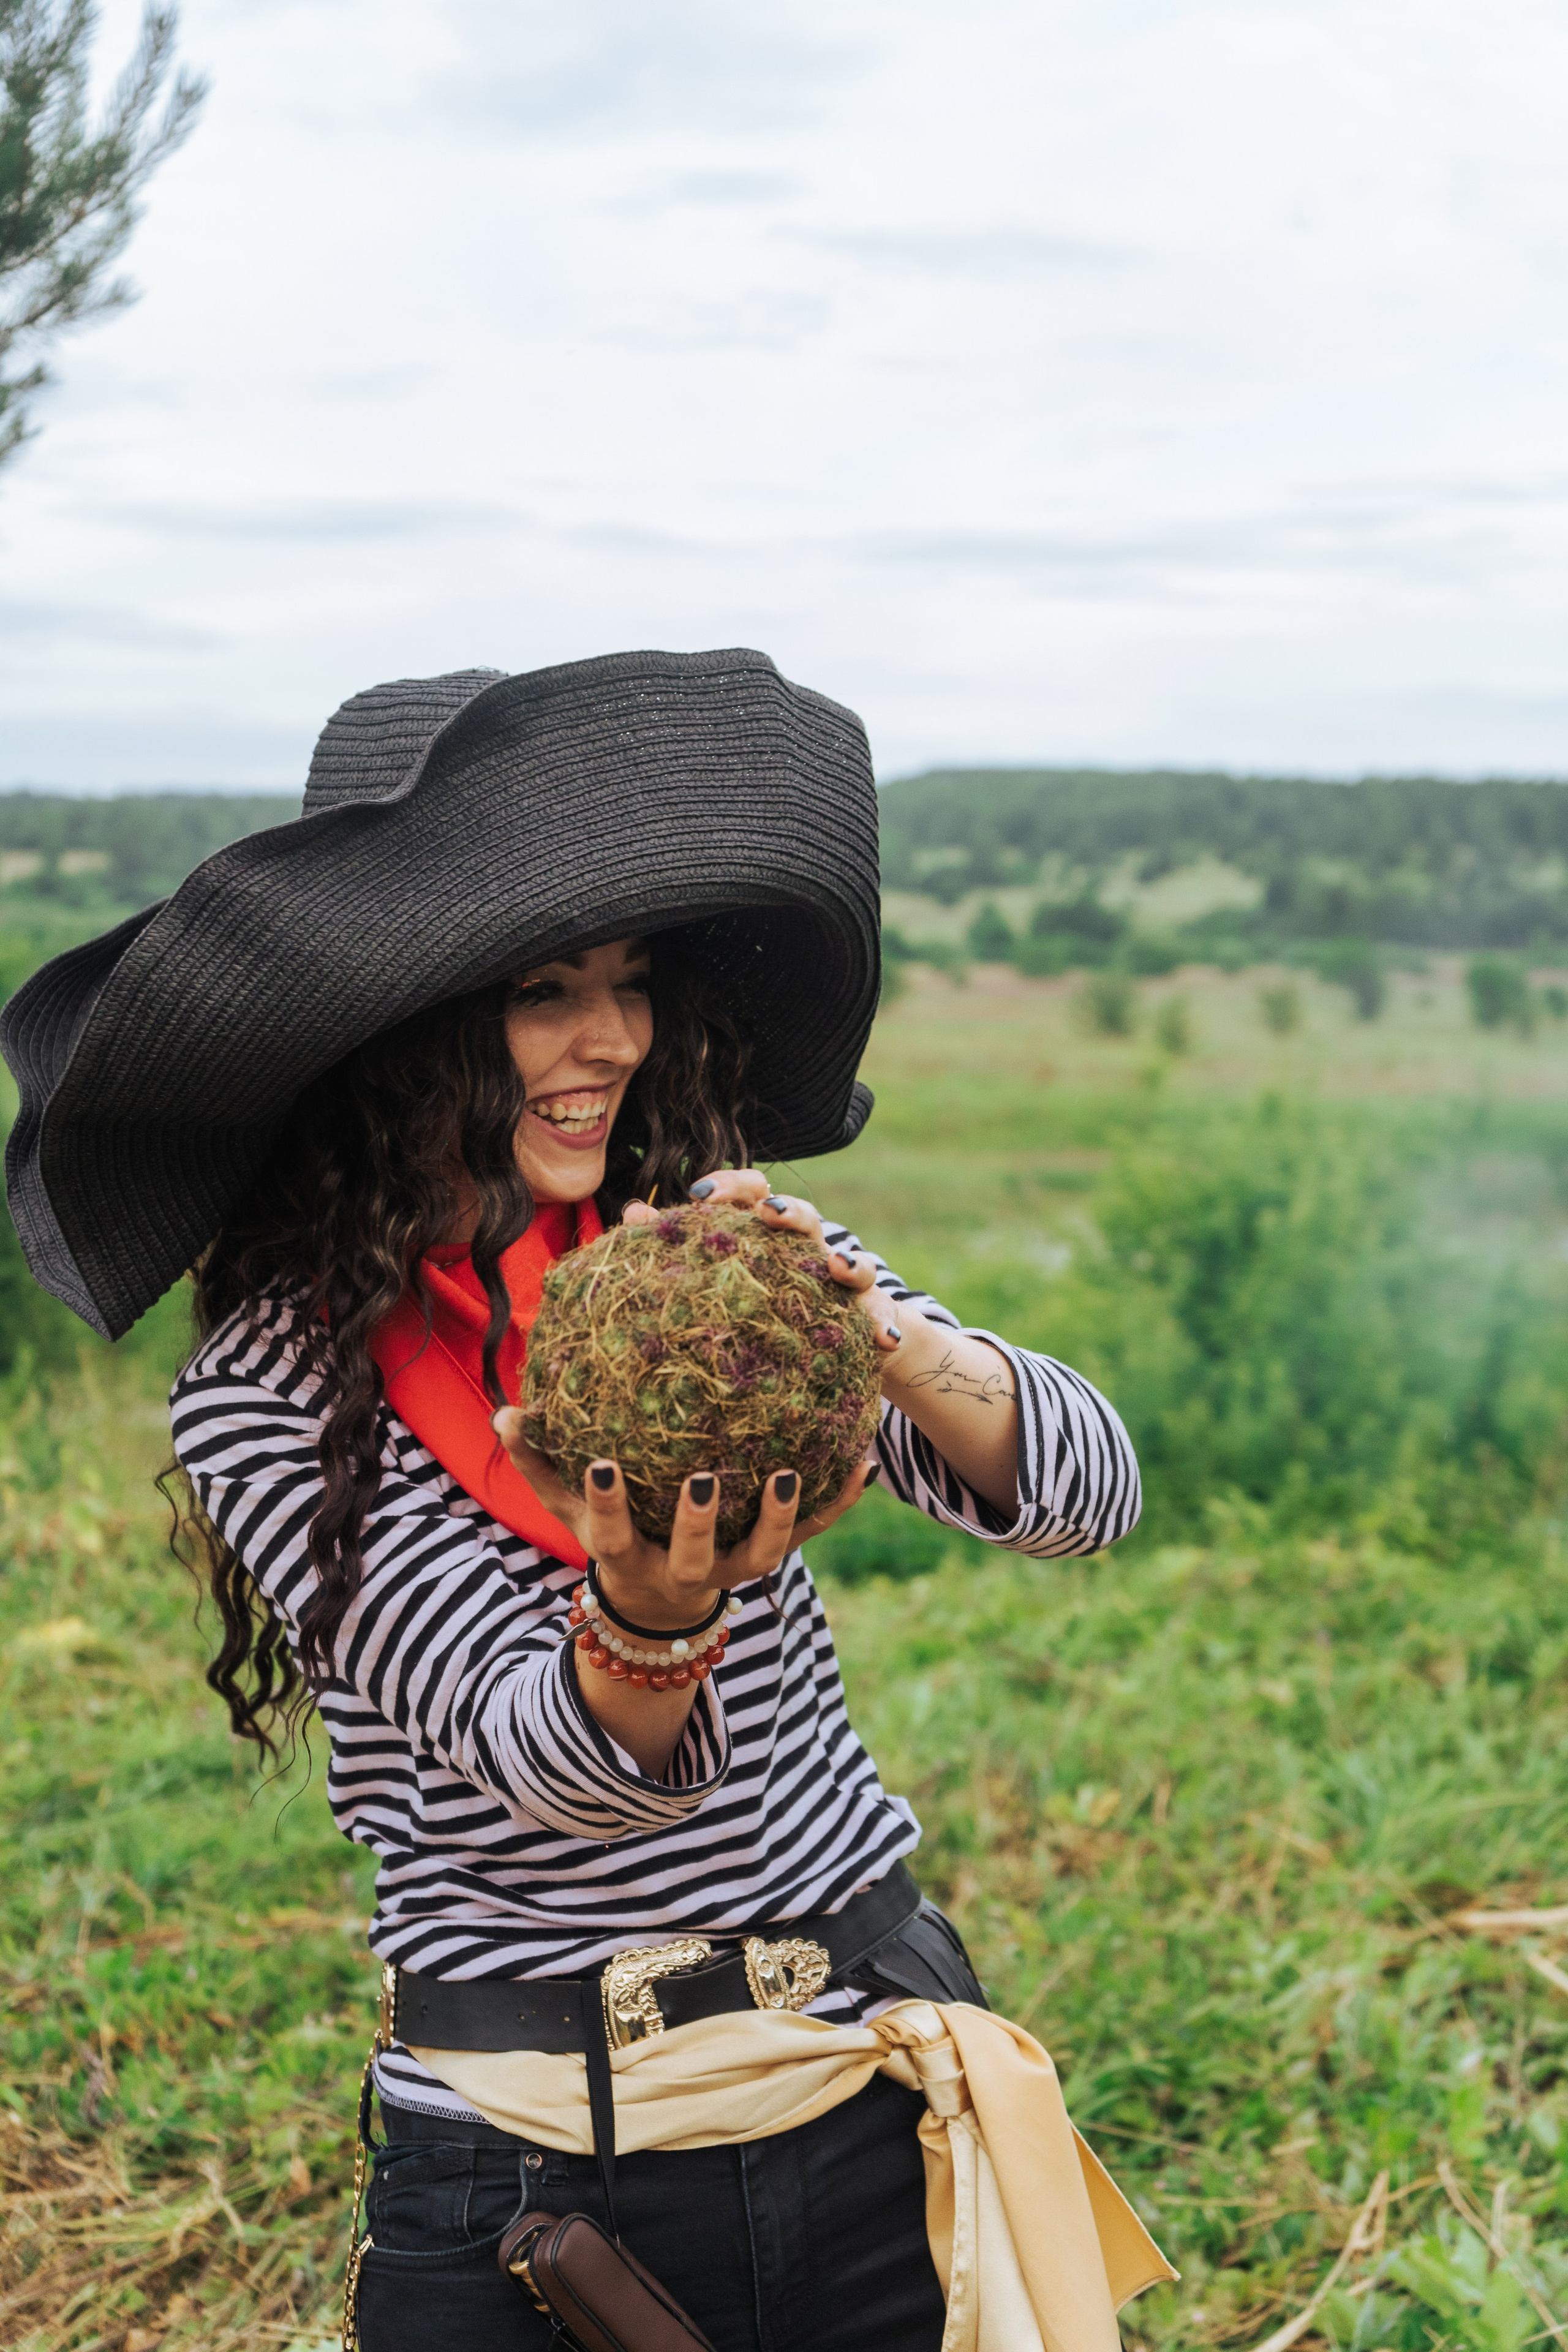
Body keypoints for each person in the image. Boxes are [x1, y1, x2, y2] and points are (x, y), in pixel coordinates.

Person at [1, 651, 1156, 2352]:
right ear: (403, 1027)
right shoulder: (275, 1393)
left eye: (629, 984)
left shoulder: (701, 1264)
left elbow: (1085, 1493)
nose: (610, 1042)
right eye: (545, 987)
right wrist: (657, 1609)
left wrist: (869, 1323)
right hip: (542, 2176)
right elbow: (553, 1767)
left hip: (859, 2098)